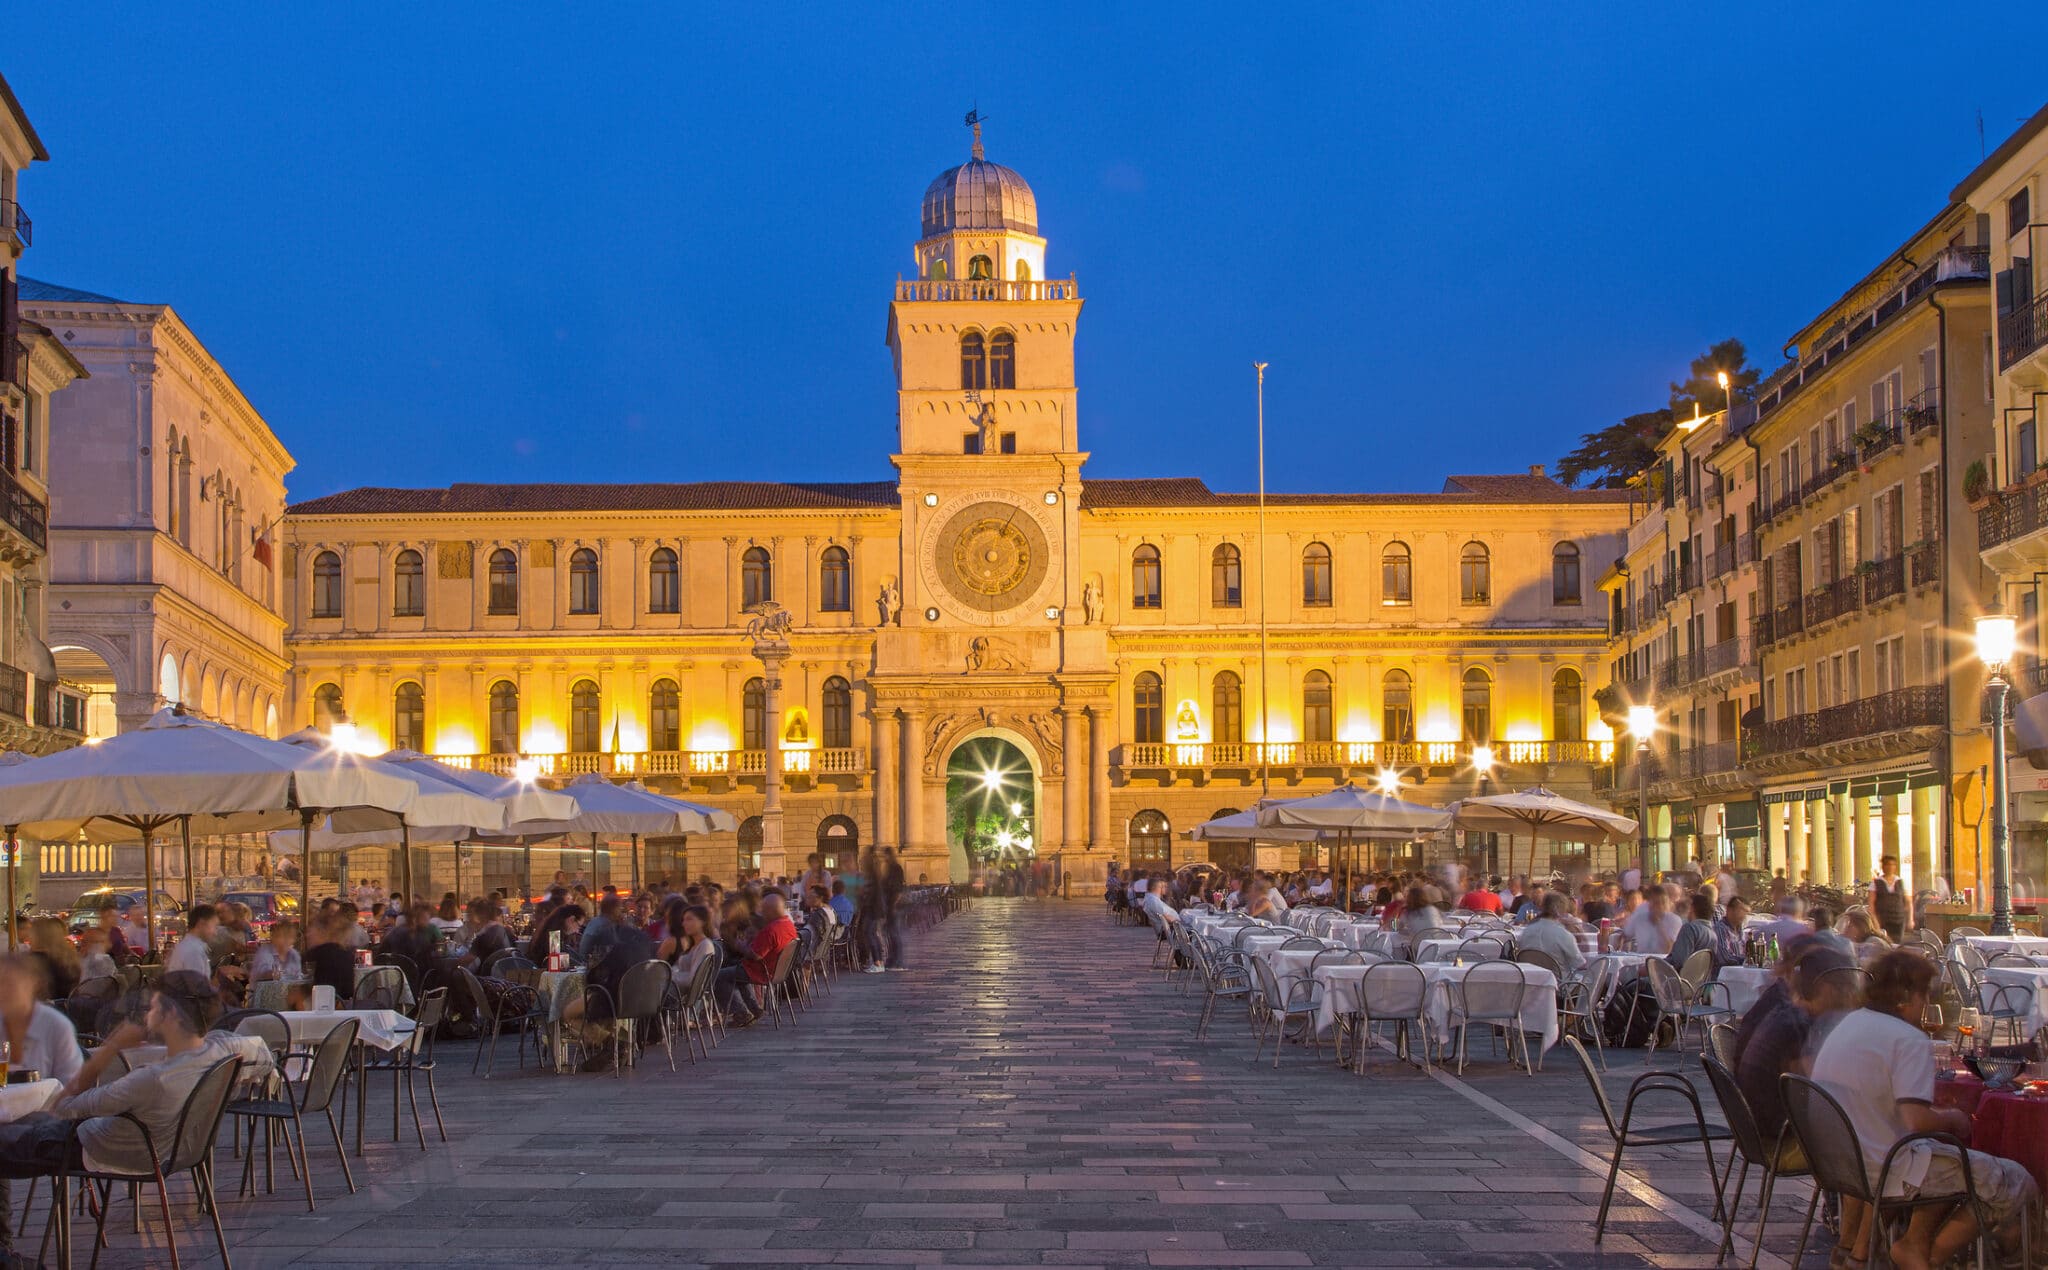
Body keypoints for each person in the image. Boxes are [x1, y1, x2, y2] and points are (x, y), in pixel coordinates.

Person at [1813, 950, 2037, 1268]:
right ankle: (1924, 1252)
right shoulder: (1908, 1039)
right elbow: (1916, 1121)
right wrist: (1954, 1119)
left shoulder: (1851, 1023)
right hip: (1886, 1166)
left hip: (1843, 1161)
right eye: (1924, 995)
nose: (1926, 1004)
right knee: (2016, 1179)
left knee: (1944, 1159)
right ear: (1908, 996)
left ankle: (1868, 1252)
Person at [1735, 942, 1858, 1160]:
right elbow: (1817, 1086)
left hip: (1756, 1128)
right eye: (1848, 990)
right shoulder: (1800, 1025)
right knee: (1870, 1136)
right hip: (1782, 1138)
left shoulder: (1787, 1011)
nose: (1853, 999)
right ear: (1828, 989)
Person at [718, 892, 798, 1027]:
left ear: (772, 911)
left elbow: (755, 955)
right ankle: (754, 1009)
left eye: (764, 910)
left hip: (761, 971)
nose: (762, 914)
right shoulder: (788, 925)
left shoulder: (771, 929)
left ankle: (741, 1013)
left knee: (719, 977)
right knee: (735, 972)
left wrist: (738, 944)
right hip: (777, 971)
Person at [1515, 893, 1585, 974]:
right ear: (1562, 910)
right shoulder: (1564, 935)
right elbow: (1579, 964)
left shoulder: (1527, 931)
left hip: (1530, 979)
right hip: (1559, 982)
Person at [25, 916, 82, 1002]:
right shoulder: (69, 957)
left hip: (40, 1009)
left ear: (37, 936)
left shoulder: (33, 960)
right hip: (66, 1008)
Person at [304, 913, 357, 1004]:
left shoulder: (320, 952)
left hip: (325, 1006)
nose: (307, 935)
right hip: (346, 1005)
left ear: (322, 932)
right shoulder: (348, 953)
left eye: (310, 930)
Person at [1618, 887, 1681, 955]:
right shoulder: (1640, 918)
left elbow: (1669, 949)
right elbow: (1626, 934)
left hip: (1663, 960)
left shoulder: (1674, 920)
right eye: (1652, 902)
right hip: (1640, 959)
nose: (1655, 906)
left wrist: (1659, 925)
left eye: (1658, 902)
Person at [167, 904, 222, 979]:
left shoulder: (189, 946)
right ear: (201, 924)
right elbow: (197, 987)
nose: (215, 932)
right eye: (214, 926)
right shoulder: (193, 950)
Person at [1667, 893, 1719, 969]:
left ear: (1692, 908)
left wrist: (1655, 965)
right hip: (1700, 979)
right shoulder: (1713, 934)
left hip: (1678, 978)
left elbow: (1679, 961)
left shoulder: (1690, 929)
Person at [1870, 854, 1912, 943]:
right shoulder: (1876, 883)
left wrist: (1910, 919)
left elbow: (1908, 902)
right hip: (1882, 920)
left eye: (1892, 865)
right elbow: (1871, 905)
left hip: (1899, 919)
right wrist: (1875, 922)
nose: (1890, 867)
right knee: (1884, 944)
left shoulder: (1901, 882)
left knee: (1897, 944)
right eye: (1887, 864)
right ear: (1883, 866)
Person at [879, 846, 906, 971]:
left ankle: (898, 961)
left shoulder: (895, 869)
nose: (884, 858)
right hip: (889, 906)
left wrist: (893, 905)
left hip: (893, 906)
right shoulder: (889, 869)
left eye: (886, 855)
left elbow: (898, 889)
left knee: (894, 934)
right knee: (890, 934)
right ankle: (892, 959)